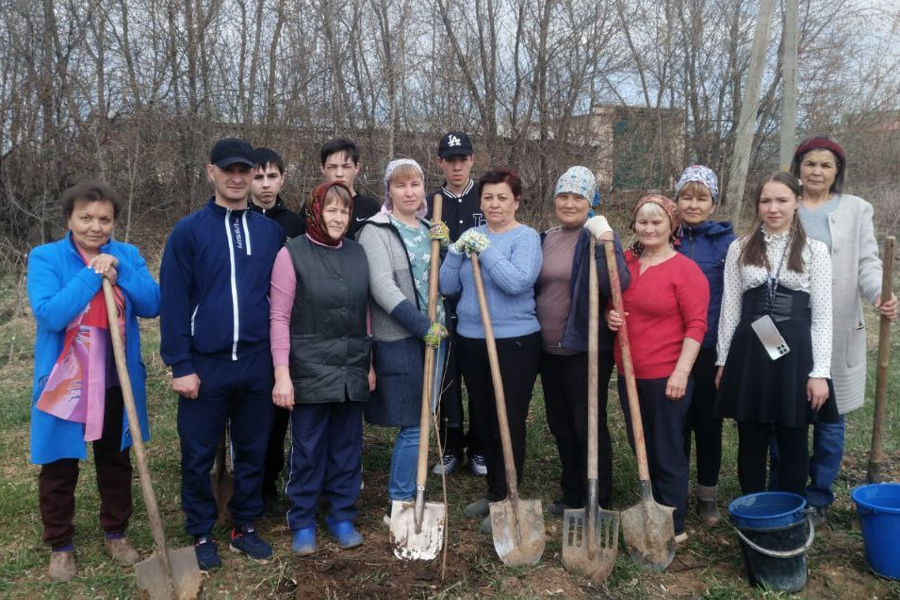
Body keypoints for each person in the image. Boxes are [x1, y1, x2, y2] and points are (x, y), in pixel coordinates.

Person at [160, 137, 283, 571]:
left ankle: (244, 525)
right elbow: (173, 301)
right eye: (228, 170)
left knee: (252, 449)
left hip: (256, 362)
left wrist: (278, 363)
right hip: (205, 364)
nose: (236, 178)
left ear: (253, 175)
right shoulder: (188, 231)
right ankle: (200, 530)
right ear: (211, 171)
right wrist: (181, 364)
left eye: (244, 171)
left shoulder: (270, 233)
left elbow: (281, 300)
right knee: (197, 454)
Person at [27, 180, 160, 581]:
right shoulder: (46, 257)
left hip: (115, 380)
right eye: (85, 217)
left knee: (116, 460)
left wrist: (118, 273)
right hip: (65, 382)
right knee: (59, 463)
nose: (95, 227)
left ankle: (116, 533)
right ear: (69, 219)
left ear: (114, 222)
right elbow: (50, 314)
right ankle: (61, 544)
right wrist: (91, 274)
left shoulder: (127, 255)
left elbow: (152, 304)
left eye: (104, 219)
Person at [782, 136, 898, 524]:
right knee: (786, 410)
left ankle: (818, 497)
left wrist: (879, 293)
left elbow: (868, 262)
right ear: (798, 166)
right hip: (787, 326)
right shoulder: (783, 201)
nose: (816, 171)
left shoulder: (856, 210)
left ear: (837, 172)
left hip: (837, 324)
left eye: (825, 165)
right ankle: (786, 490)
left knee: (831, 417)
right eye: (810, 163)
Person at [715, 172, 839, 500]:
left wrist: (820, 373)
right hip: (750, 353)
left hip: (795, 356)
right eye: (765, 201)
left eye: (782, 200)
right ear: (756, 205)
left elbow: (823, 316)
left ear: (797, 203)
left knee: (793, 438)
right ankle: (753, 511)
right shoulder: (739, 247)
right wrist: (723, 361)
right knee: (751, 438)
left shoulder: (815, 250)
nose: (773, 208)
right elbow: (730, 309)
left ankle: (790, 514)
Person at [269, 181, 375, 555]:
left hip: (351, 365)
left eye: (344, 211)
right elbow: (279, 318)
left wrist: (370, 362)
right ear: (315, 211)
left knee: (347, 445)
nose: (338, 217)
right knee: (309, 447)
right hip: (309, 366)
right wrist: (282, 374)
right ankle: (302, 520)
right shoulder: (291, 254)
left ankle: (342, 514)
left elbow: (364, 312)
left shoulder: (357, 254)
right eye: (331, 209)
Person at [439, 168, 543, 534]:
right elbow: (447, 287)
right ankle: (493, 490)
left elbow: (518, 282)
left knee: (508, 417)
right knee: (483, 417)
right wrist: (455, 252)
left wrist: (488, 253)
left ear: (516, 201)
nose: (494, 203)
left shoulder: (526, 238)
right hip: (471, 338)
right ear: (480, 201)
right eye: (488, 197)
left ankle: (506, 493)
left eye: (502, 197)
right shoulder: (472, 236)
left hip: (514, 340)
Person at [607, 194, 709, 543]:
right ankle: (650, 508)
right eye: (642, 222)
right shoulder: (627, 263)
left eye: (657, 222)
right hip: (629, 375)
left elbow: (696, 326)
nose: (648, 228)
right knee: (642, 446)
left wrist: (681, 373)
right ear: (634, 225)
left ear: (671, 226)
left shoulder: (685, 270)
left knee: (666, 449)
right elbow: (615, 303)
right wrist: (612, 316)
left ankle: (674, 522)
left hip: (666, 376)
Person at [356, 159, 448, 524]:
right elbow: (381, 288)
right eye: (400, 186)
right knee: (414, 421)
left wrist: (449, 246)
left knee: (425, 418)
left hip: (437, 337)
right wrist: (419, 324)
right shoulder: (375, 231)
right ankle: (400, 500)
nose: (410, 192)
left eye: (416, 184)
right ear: (388, 192)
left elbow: (444, 282)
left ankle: (409, 491)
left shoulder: (430, 228)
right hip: (403, 337)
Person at [536, 166, 629, 515]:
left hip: (586, 349)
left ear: (590, 202)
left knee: (586, 424)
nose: (570, 203)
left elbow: (617, 283)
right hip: (548, 349)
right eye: (564, 195)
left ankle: (598, 497)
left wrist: (606, 240)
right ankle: (572, 494)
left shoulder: (598, 237)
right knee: (559, 424)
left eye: (578, 197)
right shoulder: (545, 236)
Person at [674, 166, 735, 526]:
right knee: (676, 421)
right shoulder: (667, 235)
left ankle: (708, 495)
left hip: (710, 346)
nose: (693, 204)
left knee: (708, 423)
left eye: (701, 198)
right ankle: (676, 488)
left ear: (713, 202)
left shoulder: (728, 244)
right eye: (687, 196)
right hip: (673, 346)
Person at [426, 130, 487, 477]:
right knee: (448, 377)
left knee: (477, 375)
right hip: (444, 302)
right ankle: (451, 447)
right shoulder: (432, 202)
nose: (457, 166)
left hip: (480, 302)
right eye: (451, 160)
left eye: (463, 159)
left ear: (472, 160)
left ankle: (479, 446)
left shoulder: (485, 196)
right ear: (440, 163)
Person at [249, 146, 305, 511]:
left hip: (287, 331)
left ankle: (272, 482)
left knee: (280, 414)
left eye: (272, 177)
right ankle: (249, 484)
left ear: (282, 178)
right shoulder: (238, 221)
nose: (265, 185)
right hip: (251, 333)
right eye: (258, 177)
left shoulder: (295, 224)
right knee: (252, 417)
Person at [319, 138, 382, 237]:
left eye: (346, 167)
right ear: (323, 169)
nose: (339, 174)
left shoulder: (370, 208)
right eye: (332, 167)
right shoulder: (313, 206)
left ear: (357, 168)